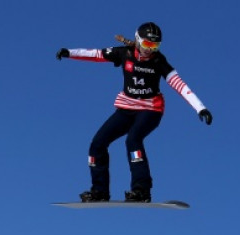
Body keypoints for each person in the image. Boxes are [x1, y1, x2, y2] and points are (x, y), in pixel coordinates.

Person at [57, 22, 212, 203]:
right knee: (97, 144)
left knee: (133, 139)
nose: (150, 50)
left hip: (150, 109)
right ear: (138, 40)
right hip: (126, 108)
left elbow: (179, 84)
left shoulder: (158, 61)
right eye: (147, 44)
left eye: (155, 46)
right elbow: (96, 54)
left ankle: (141, 190)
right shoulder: (125, 53)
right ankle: (99, 191)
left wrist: (200, 107)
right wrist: (69, 53)